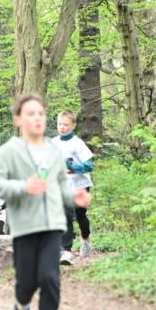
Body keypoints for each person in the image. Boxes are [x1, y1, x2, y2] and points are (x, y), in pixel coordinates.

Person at [0, 94, 91, 310]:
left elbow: (60, 185)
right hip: (24, 226)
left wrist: (74, 197)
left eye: (41, 114)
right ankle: (21, 304)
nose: (37, 118)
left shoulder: (54, 151)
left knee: (50, 277)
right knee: (26, 282)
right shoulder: (9, 151)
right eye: (30, 114)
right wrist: (23, 187)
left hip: (53, 224)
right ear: (18, 120)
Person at [53, 109, 94, 264]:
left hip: (80, 185)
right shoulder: (52, 143)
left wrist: (72, 166)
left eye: (66, 124)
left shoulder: (77, 143)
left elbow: (89, 166)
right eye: (59, 124)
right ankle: (66, 251)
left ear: (73, 126)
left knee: (81, 216)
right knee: (65, 214)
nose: (62, 127)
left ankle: (86, 239)